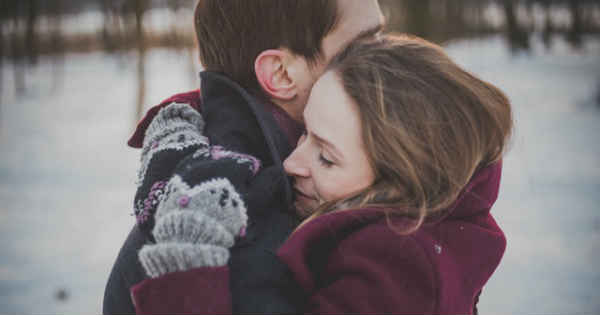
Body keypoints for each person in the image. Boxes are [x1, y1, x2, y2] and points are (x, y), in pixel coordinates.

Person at [130, 35, 513, 314]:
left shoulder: (399, 269)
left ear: (402, 182)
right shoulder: (412, 231)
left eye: (326, 158)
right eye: (304, 133)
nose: (292, 164)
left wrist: (186, 278)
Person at [102, 1, 384, 314]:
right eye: (363, 45)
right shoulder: (243, 236)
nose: (389, 61)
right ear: (281, 73)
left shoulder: (278, 183)